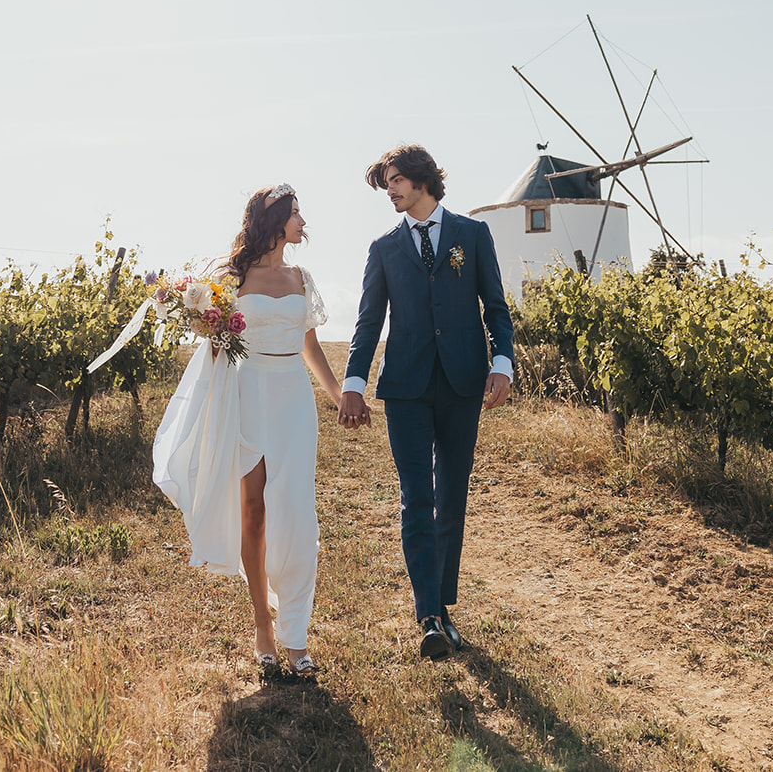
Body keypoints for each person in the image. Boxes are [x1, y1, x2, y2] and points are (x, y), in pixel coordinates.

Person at [151, 183, 350, 674]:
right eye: (297, 213)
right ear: (276, 220)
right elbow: (215, 346)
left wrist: (340, 395)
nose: (304, 222)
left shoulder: (302, 278)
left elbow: (313, 349)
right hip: (247, 393)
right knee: (255, 511)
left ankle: (296, 633)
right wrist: (208, 324)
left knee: (299, 514)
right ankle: (263, 622)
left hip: (293, 399)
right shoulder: (230, 276)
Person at [339, 145, 514, 660]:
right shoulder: (384, 248)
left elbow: (497, 308)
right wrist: (354, 380)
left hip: (464, 383)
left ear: (421, 180)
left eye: (395, 181)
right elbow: (369, 321)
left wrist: (501, 365)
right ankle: (430, 616)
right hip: (407, 389)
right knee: (417, 496)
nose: (389, 191)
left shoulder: (473, 235)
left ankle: (443, 603)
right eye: (386, 183)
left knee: (451, 496)